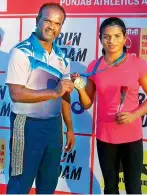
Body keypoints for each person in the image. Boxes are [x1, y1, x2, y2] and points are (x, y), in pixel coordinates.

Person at [71, 17, 147, 194]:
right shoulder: (94, 66)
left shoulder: (138, 64)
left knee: (133, 188)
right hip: (105, 137)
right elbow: (86, 103)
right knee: (110, 188)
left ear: (125, 38)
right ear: (100, 38)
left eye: (117, 36)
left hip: (131, 137)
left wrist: (134, 115)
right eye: (107, 36)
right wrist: (79, 87)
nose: (112, 41)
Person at [5, 3, 75, 194]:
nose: (52, 27)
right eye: (47, 20)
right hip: (26, 125)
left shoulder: (62, 57)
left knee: (48, 183)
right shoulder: (21, 52)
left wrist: (69, 128)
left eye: (57, 23)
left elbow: (65, 95)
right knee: (20, 183)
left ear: (61, 27)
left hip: (54, 126)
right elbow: (16, 94)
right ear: (37, 21)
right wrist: (55, 92)